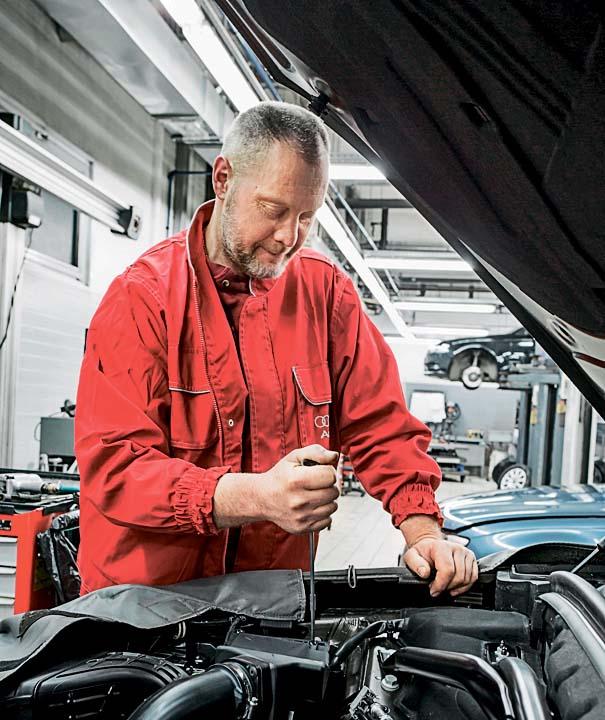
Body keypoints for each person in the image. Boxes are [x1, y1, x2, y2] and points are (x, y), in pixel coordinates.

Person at [75, 101, 477, 598]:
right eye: (274, 210)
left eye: (307, 216)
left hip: (270, 603)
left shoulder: (325, 295)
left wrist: (424, 532)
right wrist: (256, 496)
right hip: (143, 607)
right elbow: (116, 469)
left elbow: (381, 426)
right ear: (223, 179)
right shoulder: (142, 299)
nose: (289, 236)